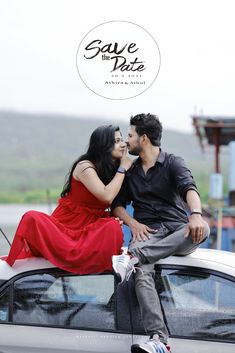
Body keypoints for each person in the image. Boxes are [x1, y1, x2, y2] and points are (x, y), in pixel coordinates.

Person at [111, 114, 210, 353]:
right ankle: (159, 339)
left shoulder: (174, 162)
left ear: (144, 139)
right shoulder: (130, 171)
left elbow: (190, 189)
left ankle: (135, 257)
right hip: (148, 234)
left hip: (178, 231)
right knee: (141, 273)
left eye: (131, 135)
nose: (127, 140)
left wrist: (195, 214)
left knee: (203, 228)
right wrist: (132, 223)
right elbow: (116, 206)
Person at [6, 125, 133, 274]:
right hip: (66, 228)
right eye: (117, 141)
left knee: (112, 226)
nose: (123, 144)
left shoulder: (113, 169)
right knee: (32, 217)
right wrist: (122, 168)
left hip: (90, 229)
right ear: (104, 145)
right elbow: (106, 196)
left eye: (122, 139)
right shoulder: (85, 166)